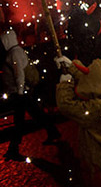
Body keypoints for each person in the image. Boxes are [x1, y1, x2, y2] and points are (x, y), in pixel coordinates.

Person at [54, 55, 101, 187]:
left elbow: (66, 106)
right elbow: (92, 80)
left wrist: (65, 84)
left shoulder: (99, 108)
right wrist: (71, 67)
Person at [1, 28, 61, 161]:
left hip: (19, 93)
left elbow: (19, 74)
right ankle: (53, 132)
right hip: (21, 92)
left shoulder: (14, 53)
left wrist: (20, 92)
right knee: (35, 115)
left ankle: (13, 148)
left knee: (20, 122)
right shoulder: (15, 52)